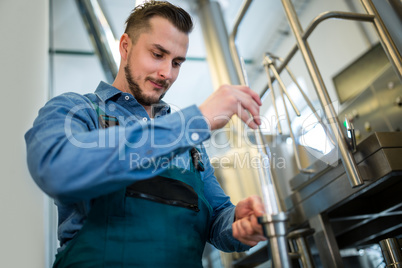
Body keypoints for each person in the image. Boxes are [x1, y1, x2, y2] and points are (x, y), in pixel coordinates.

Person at [25, 1, 267, 267]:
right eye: (157, 54)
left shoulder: (190, 146)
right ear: (126, 46)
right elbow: (57, 168)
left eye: (176, 62)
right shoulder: (77, 110)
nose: (167, 73)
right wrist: (194, 121)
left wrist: (238, 223)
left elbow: (216, 216)